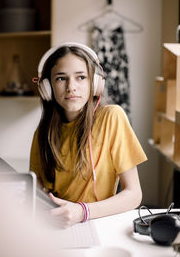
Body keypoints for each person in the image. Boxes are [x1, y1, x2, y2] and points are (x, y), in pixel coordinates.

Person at [30, 42, 147, 228]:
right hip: (59, 226)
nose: (71, 87)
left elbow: (134, 194)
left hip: (100, 223)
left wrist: (81, 211)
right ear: (47, 87)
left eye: (81, 77)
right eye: (61, 78)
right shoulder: (42, 134)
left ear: (95, 83)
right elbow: (37, 189)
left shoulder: (111, 118)